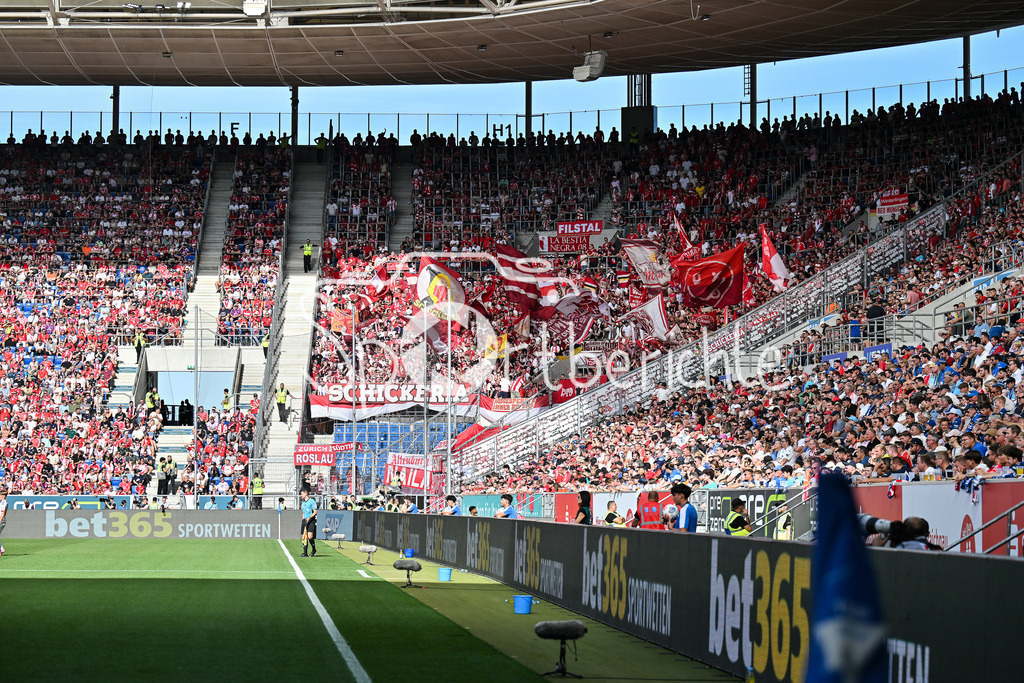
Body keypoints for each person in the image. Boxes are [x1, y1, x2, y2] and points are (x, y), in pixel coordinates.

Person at [300, 490, 318, 557]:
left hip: (311, 520)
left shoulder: (312, 501)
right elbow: (303, 512)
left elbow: (315, 512)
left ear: (306, 494)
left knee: (310, 536)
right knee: (304, 536)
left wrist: (309, 518)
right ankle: (305, 553)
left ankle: (313, 549)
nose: (301, 495)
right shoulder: (303, 502)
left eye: (302, 494)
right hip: (304, 520)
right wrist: (303, 519)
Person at [0, 490, 7, 556]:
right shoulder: (2, 503)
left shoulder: (3, 503)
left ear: (3, 496)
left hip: (1, 521)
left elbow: (2, 513)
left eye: (0, 495)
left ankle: (1, 549)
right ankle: (1, 549)